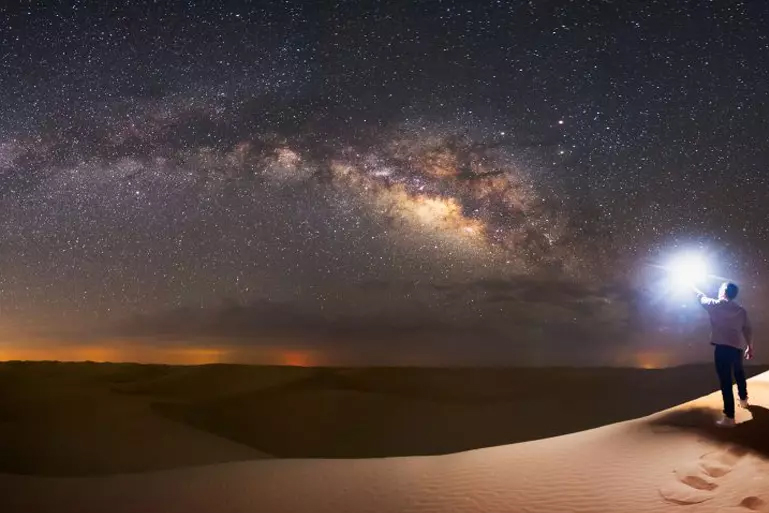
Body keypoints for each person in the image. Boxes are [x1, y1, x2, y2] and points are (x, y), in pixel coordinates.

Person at [694, 282, 753, 427]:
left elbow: (701, 298)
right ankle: (744, 399)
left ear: (724, 291)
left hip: (722, 349)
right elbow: (747, 329)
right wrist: (749, 347)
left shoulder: (715, 305)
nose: (718, 290)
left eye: (720, 288)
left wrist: (692, 287)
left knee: (726, 382)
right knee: (739, 373)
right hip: (737, 347)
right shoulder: (741, 310)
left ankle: (729, 417)